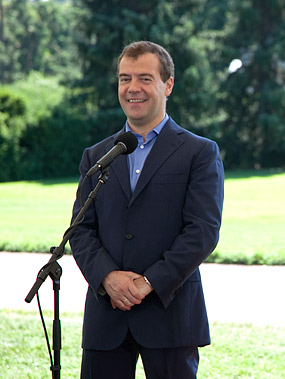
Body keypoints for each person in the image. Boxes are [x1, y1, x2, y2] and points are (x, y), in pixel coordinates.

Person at [69, 41, 224, 378]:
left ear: (167, 85)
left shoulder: (199, 152)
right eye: (125, 79)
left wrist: (147, 283)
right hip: (106, 317)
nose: (132, 88)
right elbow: (80, 229)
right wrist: (108, 278)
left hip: (170, 315)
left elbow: (202, 232)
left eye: (144, 78)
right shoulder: (96, 156)